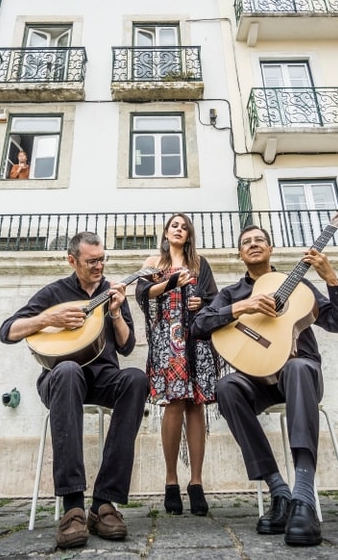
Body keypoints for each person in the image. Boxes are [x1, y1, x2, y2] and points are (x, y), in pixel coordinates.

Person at [191, 224, 338, 547]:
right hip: (257, 380)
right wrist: (242, 307)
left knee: (296, 366)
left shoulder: (298, 286)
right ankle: (279, 490)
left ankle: (304, 496)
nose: (253, 245)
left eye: (259, 240)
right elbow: (199, 325)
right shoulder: (231, 293)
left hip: (301, 377)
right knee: (226, 386)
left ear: (271, 249)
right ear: (240, 254)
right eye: (246, 242)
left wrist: (331, 278)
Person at [0, 231, 147, 549]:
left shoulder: (112, 292)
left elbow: (127, 346)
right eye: (92, 261)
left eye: (102, 259)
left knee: (136, 378)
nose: (99, 266)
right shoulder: (55, 292)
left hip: (105, 377)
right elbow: (7, 331)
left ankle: (104, 504)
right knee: (68, 370)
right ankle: (73, 508)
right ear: (72, 260)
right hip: (60, 379)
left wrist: (117, 313)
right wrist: (47, 318)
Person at [135, 213, 221, 516]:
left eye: (184, 227)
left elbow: (216, 299)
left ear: (189, 235)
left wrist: (203, 303)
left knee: (196, 405)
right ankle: (171, 480)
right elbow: (142, 294)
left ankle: (196, 482)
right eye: (175, 225)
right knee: (173, 404)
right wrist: (172, 281)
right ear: (166, 232)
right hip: (166, 339)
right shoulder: (153, 261)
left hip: (195, 338)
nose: (179, 229)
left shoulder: (200, 263)